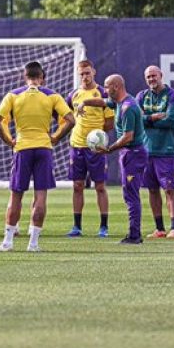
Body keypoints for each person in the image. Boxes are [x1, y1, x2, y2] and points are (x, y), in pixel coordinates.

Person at [0, 61, 74, 252]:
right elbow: (71, 120)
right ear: (42, 78)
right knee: (40, 195)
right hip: (44, 147)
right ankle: (33, 243)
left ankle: (8, 242)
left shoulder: (13, 95)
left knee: (16, 195)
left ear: (24, 76)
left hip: (22, 147)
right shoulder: (51, 95)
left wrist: (9, 140)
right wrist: (55, 138)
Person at [80, 75, 147, 244]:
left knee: (131, 194)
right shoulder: (117, 102)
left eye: (107, 86)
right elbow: (102, 102)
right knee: (129, 193)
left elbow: (128, 137)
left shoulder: (128, 107)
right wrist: (85, 102)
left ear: (116, 87)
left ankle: (134, 235)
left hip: (133, 153)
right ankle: (134, 233)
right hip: (128, 153)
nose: (104, 90)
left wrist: (109, 149)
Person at [64, 60, 114, 238]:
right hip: (77, 146)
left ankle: (104, 226)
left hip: (96, 148)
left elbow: (109, 123)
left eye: (87, 73)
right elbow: (67, 117)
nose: (85, 77)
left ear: (94, 72)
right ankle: (77, 226)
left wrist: (97, 136)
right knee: (77, 186)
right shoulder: (73, 95)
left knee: (100, 186)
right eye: (82, 74)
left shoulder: (102, 93)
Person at [135, 65, 174, 239]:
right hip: (146, 149)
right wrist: (153, 117)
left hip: (165, 149)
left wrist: (146, 119)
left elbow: (171, 120)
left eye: (154, 76)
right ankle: (160, 228)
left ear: (161, 75)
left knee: (169, 189)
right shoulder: (141, 96)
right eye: (148, 77)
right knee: (152, 190)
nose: (151, 79)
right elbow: (137, 119)